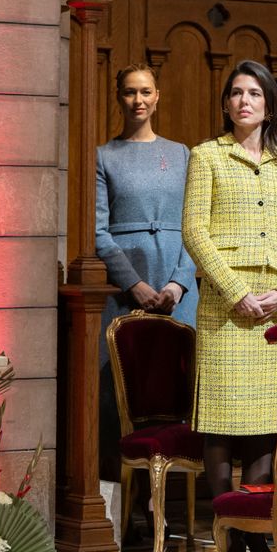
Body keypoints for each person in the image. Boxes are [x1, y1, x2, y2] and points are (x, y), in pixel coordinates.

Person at [182, 59, 277, 552]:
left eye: (254, 94)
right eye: (236, 93)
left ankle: (257, 528)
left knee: (265, 422)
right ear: (225, 104)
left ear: (269, 105)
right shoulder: (207, 157)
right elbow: (195, 232)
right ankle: (228, 531)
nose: (244, 101)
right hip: (224, 308)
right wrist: (237, 291)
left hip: (274, 314)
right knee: (221, 424)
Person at [95, 63, 198, 486]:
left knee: (181, 385)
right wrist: (134, 284)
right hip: (126, 287)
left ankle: (177, 499)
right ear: (118, 96)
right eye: (129, 92)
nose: (138, 100)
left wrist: (177, 282)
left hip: (179, 282)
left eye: (145, 92)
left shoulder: (181, 154)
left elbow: (197, 226)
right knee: (119, 392)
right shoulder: (104, 155)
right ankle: (121, 499)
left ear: (158, 97)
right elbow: (98, 231)